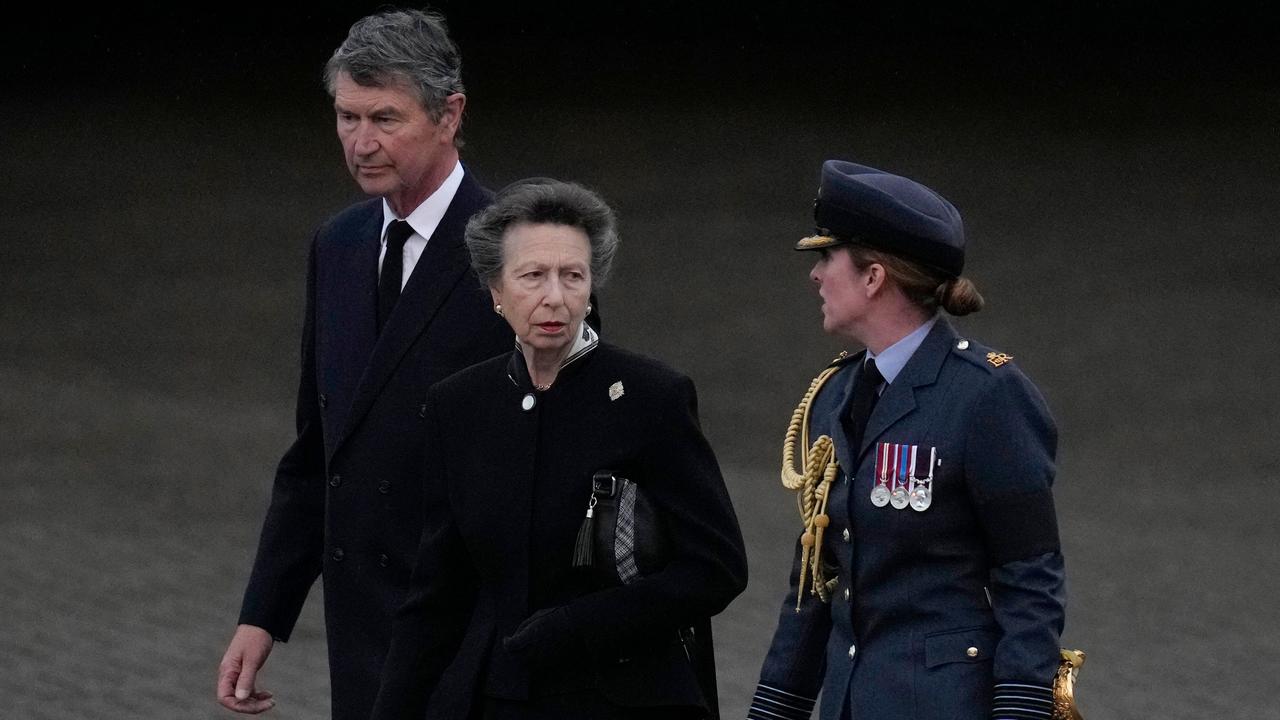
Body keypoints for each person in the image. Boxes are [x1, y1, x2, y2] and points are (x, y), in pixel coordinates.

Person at [216, 9, 517, 719]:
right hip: (365, 646)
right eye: (347, 118)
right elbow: (320, 451)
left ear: (450, 114)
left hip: (477, 644)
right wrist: (264, 613)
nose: (361, 142)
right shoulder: (339, 246)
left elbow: (566, 459)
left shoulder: (519, 252)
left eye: (385, 118)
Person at [370, 179, 748, 720]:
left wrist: (579, 624)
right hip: (497, 695)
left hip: (622, 696)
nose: (555, 297)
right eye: (532, 276)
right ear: (495, 292)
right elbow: (437, 594)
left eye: (573, 276)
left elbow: (717, 568)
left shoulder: (650, 397)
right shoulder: (460, 405)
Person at [748, 160, 1068, 720]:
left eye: (828, 257)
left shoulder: (987, 396)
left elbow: (1029, 576)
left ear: (874, 278)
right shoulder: (836, 395)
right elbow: (818, 576)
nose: (815, 276)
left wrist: (1021, 709)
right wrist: (777, 707)